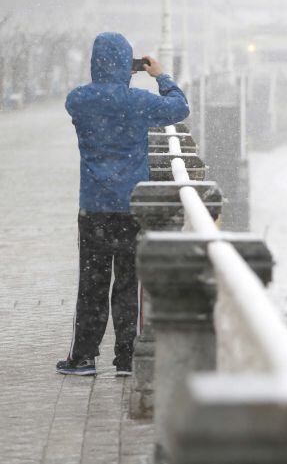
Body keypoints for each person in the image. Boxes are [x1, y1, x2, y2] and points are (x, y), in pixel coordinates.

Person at [56, 32, 189, 376]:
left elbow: (89, 99)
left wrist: (112, 80)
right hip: (132, 207)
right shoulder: (139, 102)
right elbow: (179, 107)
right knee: (129, 283)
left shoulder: (79, 100)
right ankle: (127, 358)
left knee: (92, 284)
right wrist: (160, 75)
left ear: (94, 63)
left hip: (94, 207)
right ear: (127, 66)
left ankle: (83, 357)